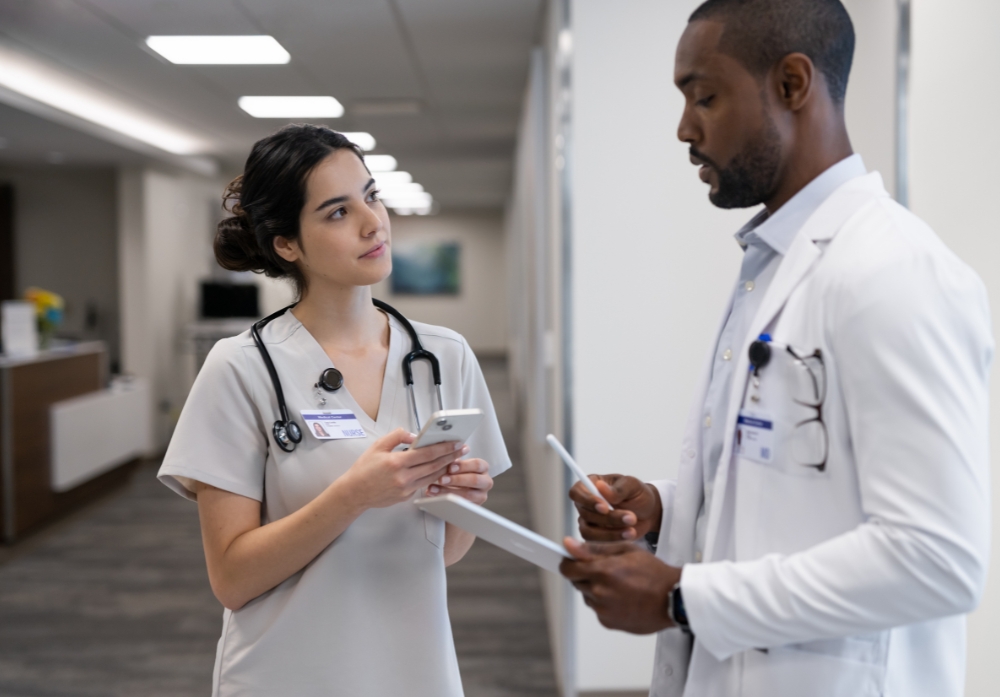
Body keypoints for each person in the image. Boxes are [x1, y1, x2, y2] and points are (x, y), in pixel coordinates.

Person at [560, 1, 992, 696]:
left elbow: (938, 557)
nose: (684, 128)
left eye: (705, 95)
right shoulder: (774, 265)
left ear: (793, 84)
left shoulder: (892, 272)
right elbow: (795, 482)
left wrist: (681, 596)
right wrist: (669, 509)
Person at [157, 125, 510, 697]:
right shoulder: (241, 368)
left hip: (412, 666)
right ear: (287, 245)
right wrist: (354, 494)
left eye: (371, 196)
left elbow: (438, 553)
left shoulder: (444, 357)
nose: (374, 222)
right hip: (286, 672)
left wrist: (461, 501)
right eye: (337, 212)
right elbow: (232, 578)